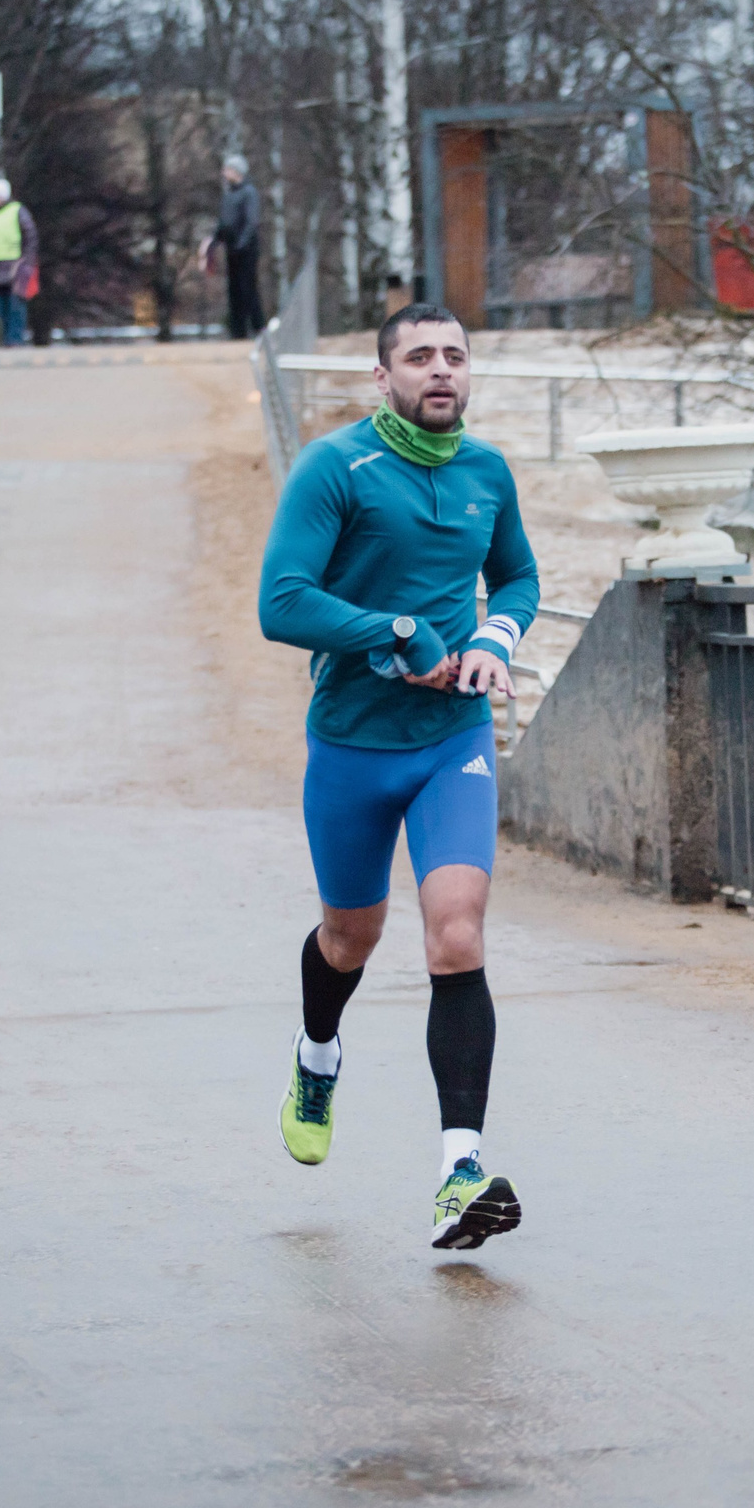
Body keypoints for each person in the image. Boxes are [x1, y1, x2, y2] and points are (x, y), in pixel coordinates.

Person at [257, 303, 538, 1250]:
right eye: (420, 357)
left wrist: (495, 635)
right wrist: (397, 632)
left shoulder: (486, 472)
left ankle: (459, 1172)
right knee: (350, 935)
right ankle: (317, 1053)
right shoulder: (335, 470)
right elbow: (281, 600)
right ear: (383, 378)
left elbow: (521, 579)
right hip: (350, 743)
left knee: (455, 930)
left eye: (455, 355)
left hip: (450, 739)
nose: (441, 370)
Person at [0, 177, 38, 347]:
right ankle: (7, 339)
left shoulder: (17, 211)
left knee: (16, 305)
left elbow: (30, 235)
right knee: (2, 308)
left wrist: (27, 261)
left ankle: (15, 340)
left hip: (15, 267)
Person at [207, 156, 263, 339]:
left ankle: (258, 328)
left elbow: (251, 222)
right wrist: (213, 242)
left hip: (246, 250)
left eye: (227, 169)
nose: (224, 173)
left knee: (248, 288)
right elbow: (224, 223)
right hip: (232, 249)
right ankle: (237, 332)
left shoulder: (249, 192)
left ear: (237, 171)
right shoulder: (229, 195)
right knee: (234, 291)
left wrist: (242, 243)